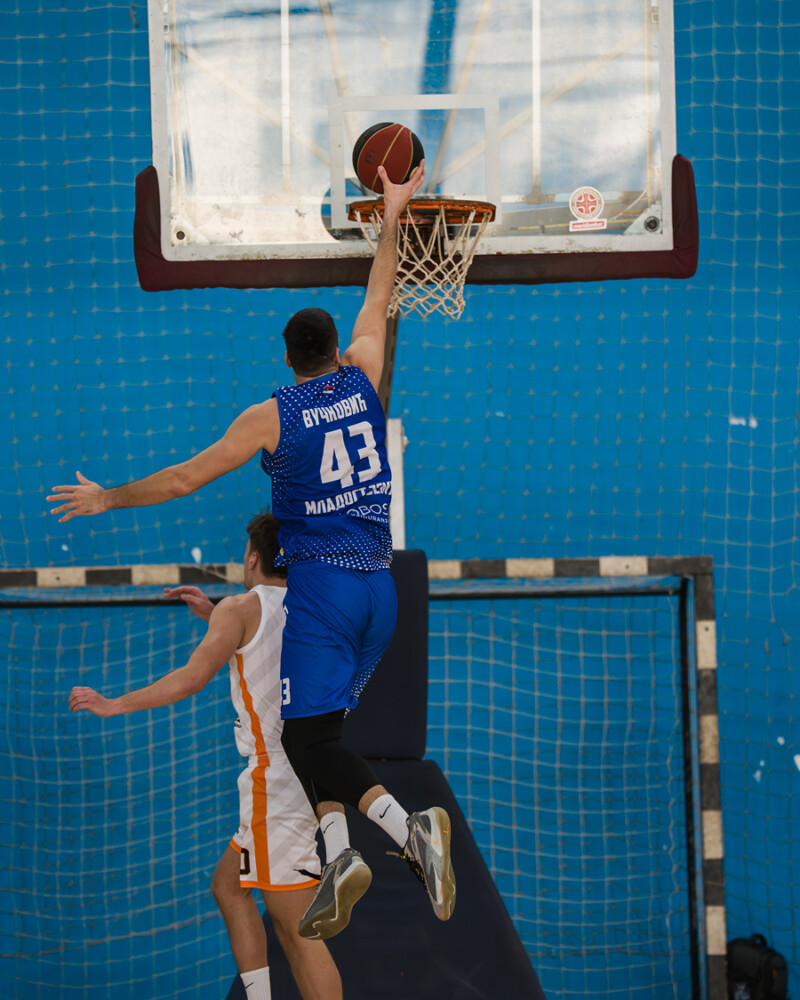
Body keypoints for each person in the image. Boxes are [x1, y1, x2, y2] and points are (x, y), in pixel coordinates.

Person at [48, 159, 456, 941]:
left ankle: (408, 832)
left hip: (323, 593)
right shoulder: (365, 377)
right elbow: (379, 295)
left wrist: (108, 498)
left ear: (287, 357)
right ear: (336, 350)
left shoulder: (272, 416)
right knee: (319, 734)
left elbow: (183, 479)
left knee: (306, 738)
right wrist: (393, 212)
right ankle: (340, 852)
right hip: (383, 591)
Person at [68, 513, 342, 1000]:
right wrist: (216, 615)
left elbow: (193, 677)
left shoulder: (240, 609)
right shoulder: (310, 604)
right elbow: (267, 646)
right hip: (310, 766)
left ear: (253, 558)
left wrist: (115, 704)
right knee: (228, 886)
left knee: (299, 930)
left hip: (274, 781)